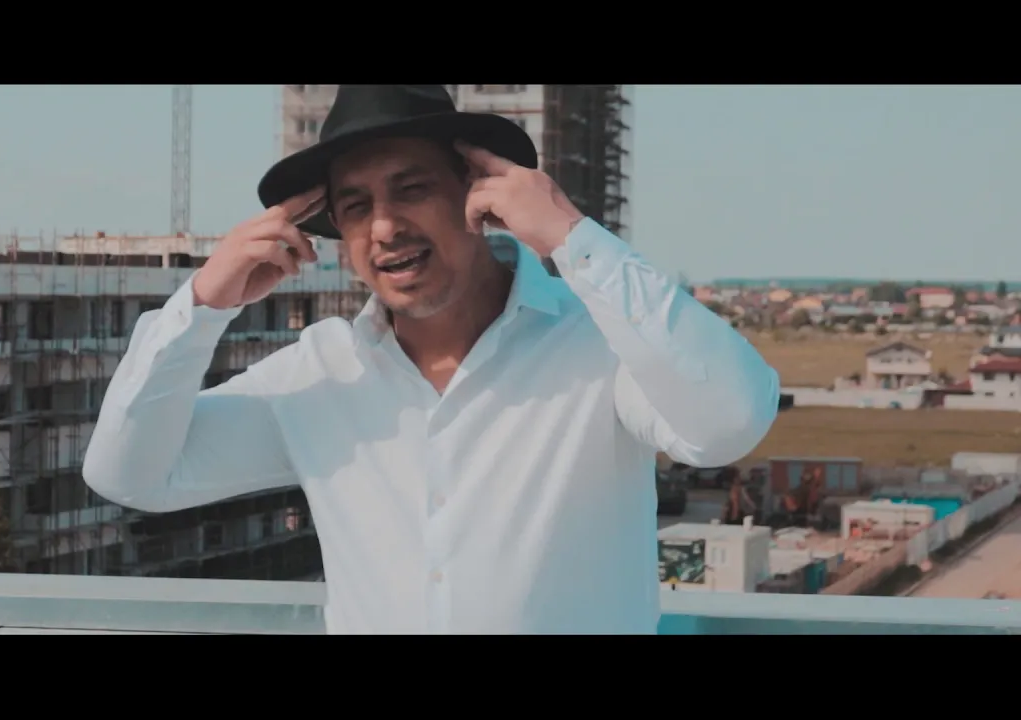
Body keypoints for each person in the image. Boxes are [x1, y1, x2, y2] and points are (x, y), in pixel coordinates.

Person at [83, 85, 780, 634]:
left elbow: (730, 421)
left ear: (475, 193)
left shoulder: (596, 343)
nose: (385, 226)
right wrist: (203, 302)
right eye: (356, 206)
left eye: (411, 188)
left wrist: (570, 236)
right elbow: (130, 473)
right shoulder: (318, 373)